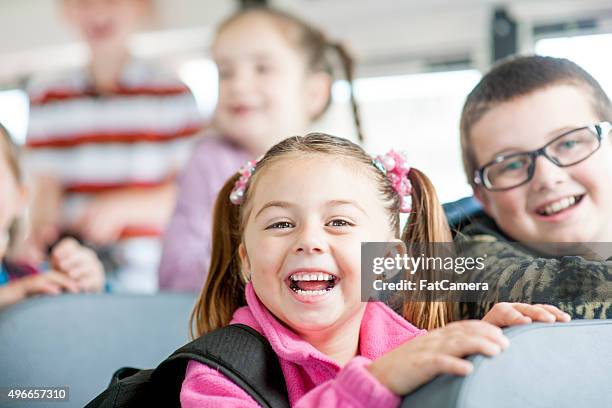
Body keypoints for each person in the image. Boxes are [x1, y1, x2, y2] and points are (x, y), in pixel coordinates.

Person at [181, 133, 569, 407]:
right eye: (281, 224)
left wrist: (485, 365)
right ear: (246, 259)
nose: (309, 240)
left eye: (340, 222)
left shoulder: (418, 354)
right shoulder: (218, 375)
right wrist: (374, 384)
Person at [159, 6, 362, 292]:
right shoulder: (208, 162)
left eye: (262, 68)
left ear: (314, 92)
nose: (238, 85)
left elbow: (373, 274)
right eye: (226, 73)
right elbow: (174, 274)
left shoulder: (344, 169)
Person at [23, 0, 203, 293]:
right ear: (68, 11)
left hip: (154, 277)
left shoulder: (172, 94)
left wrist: (121, 207)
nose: (97, 11)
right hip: (77, 273)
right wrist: (43, 226)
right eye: (83, 2)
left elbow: (190, 196)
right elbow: (46, 186)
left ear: (141, 7)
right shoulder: (47, 97)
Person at [457, 55, 612, 319]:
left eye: (569, 143)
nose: (547, 178)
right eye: (511, 165)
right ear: (483, 197)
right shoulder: (455, 265)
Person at [0, 122, 104, 309]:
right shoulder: (26, 286)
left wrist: (84, 277)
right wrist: (15, 294)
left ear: (20, 197)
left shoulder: (31, 276)